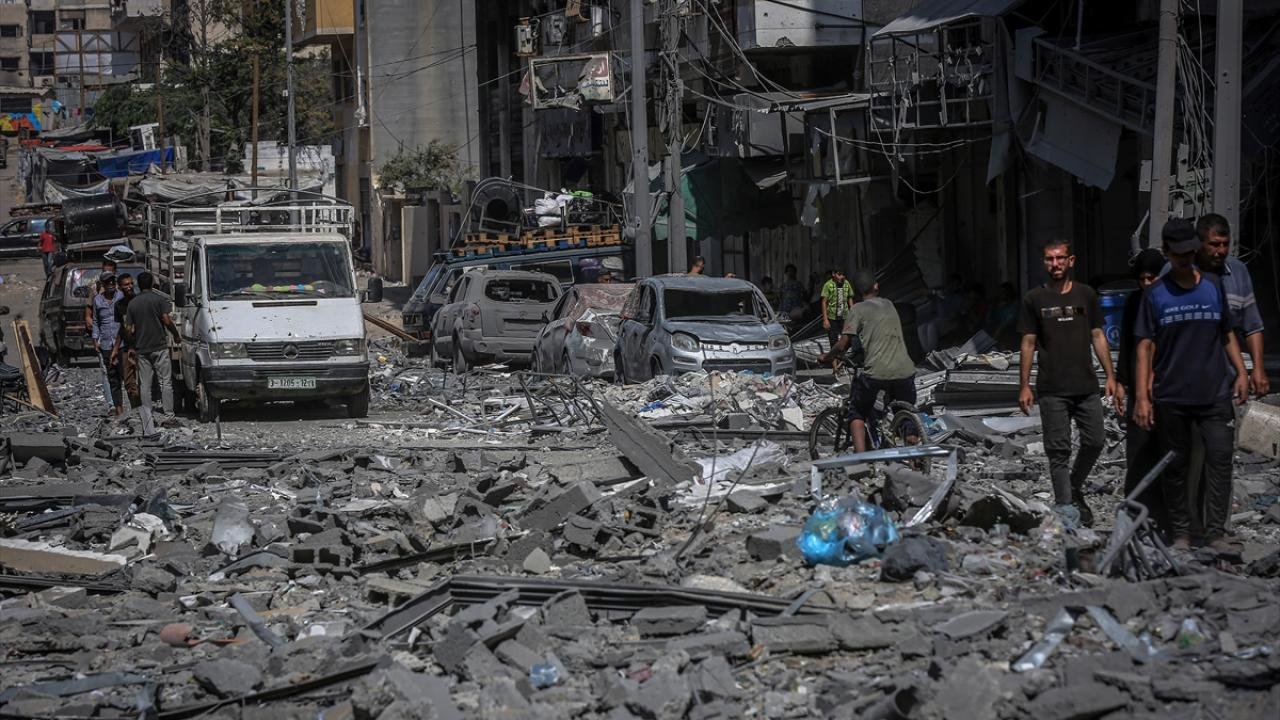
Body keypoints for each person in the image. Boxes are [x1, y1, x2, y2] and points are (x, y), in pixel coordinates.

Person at [1134, 219, 1249, 551]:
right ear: (1167, 253)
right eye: (1178, 254)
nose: (1185, 259)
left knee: (1220, 459)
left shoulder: (1212, 286)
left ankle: (1214, 532)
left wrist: (1241, 372)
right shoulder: (1156, 295)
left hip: (1214, 392)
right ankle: (1182, 532)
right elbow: (1145, 347)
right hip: (1172, 395)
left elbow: (1227, 333)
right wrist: (1142, 396)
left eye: (1190, 253)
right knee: (1176, 466)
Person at [1017, 240, 1116, 527]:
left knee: (1095, 440)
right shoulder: (1034, 299)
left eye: (1060, 258)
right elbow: (1028, 342)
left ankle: (1073, 487)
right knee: (1058, 451)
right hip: (1052, 389)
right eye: (1049, 259)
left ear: (1071, 260)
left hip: (1086, 386)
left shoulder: (1086, 295)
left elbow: (1098, 335)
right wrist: (1024, 385)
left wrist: (1110, 376)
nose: (1055, 264)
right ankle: (1065, 509)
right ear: (1044, 262)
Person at [818, 270, 918, 453]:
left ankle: (861, 463)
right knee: (906, 417)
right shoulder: (889, 304)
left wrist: (827, 357)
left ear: (855, 293)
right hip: (906, 370)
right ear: (876, 286)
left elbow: (843, 344)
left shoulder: (857, 310)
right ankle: (917, 462)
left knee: (857, 411)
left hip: (878, 373)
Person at [1115, 248, 1169, 532]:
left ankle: (1165, 513)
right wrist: (1122, 383)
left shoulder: (1171, 300)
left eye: (1152, 278)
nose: (1147, 284)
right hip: (1138, 389)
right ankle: (1137, 509)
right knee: (1137, 450)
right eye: (1142, 279)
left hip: (1168, 388)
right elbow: (1127, 346)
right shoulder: (1135, 302)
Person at [1194, 213, 1268, 397]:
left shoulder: (1238, 272)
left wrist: (1257, 368)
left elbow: (1252, 327)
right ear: (1199, 243)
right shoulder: (1178, 272)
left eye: (1225, 244)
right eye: (1214, 244)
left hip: (1226, 385)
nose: (1221, 251)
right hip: (1184, 385)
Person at [123, 272, 181, 436]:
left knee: (145, 385)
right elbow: (166, 320)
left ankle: (148, 419)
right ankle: (169, 416)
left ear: (138, 285)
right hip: (159, 347)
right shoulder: (159, 300)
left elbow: (128, 329)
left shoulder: (133, 304)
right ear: (153, 284)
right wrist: (175, 334)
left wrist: (132, 344)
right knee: (165, 382)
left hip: (142, 349)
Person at [90, 273, 124, 416]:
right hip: (105, 344)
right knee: (112, 377)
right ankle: (117, 408)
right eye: (107, 282)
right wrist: (95, 339)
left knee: (126, 376)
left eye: (112, 281)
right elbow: (96, 321)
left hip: (122, 343)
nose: (110, 283)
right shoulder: (97, 300)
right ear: (102, 284)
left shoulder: (121, 296)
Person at [111, 273, 140, 410]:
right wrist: (116, 349)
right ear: (120, 287)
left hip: (141, 346)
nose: (129, 287)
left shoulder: (139, 301)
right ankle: (136, 408)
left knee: (144, 380)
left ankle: (146, 408)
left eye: (131, 284)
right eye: (126, 285)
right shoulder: (119, 305)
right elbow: (121, 329)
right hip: (127, 347)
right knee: (128, 381)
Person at [820, 268, 854, 349]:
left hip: (845, 316)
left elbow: (850, 298)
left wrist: (853, 313)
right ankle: (835, 360)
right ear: (833, 274)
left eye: (843, 275)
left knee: (849, 339)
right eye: (839, 274)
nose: (841, 277)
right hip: (832, 318)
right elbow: (824, 302)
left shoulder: (846, 283)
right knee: (833, 341)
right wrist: (825, 319)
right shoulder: (828, 285)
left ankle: (842, 357)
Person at [984, 282, 1019, 349]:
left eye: (1005, 292)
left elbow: (1009, 321)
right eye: (1001, 292)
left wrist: (999, 330)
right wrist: (991, 308)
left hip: (1010, 333)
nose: (1003, 294)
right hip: (998, 334)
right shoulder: (998, 306)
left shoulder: (1015, 305)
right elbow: (989, 320)